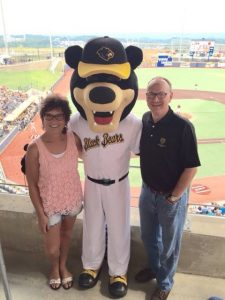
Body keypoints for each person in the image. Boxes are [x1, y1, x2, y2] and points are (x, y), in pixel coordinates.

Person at [135, 77, 201, 300]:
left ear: (170, 96)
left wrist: (174, 197)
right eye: (151, 94)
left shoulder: (183, 127)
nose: (155, 98)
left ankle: (165, 282)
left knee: (170, 245)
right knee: (149, 237)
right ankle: (155, 268)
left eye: (161, 94)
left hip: (170, 197)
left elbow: (191, 167)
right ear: (146, 97)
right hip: (148, 191)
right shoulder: (145, 119)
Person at [25, 94, 83, 290]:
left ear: (66, 120)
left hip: (72, 199)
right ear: (42, 119)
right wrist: (41, 214)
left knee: (67, 235)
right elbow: (32, 184)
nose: (54, 121)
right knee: (52, 248)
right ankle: (54, 266)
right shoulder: (34, 149)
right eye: (49, 116)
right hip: (49, 206)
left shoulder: (73, 139)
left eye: (59, 117)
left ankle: (62, 266)